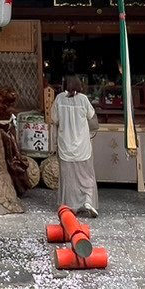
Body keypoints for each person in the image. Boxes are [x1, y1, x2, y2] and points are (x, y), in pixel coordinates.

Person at [48, 75, 100, 218]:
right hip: (82, 145)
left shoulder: (59, 99)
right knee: (86, 176)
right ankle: (87, 200)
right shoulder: (83, 99)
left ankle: (71, 206)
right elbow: (92, 117)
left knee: (68, 178)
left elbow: (54, 119)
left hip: (65, 144)